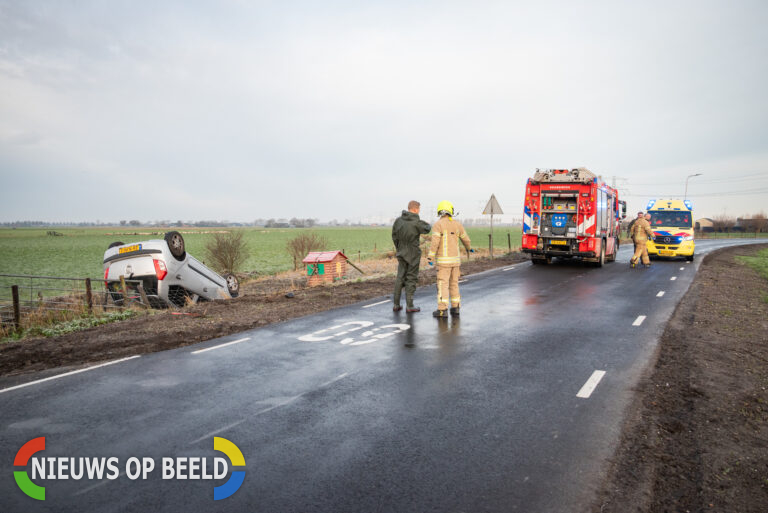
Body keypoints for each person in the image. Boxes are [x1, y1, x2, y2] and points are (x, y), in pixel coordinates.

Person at [427, 200, 472, 318]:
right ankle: (455, 307)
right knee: (454, 284)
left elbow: (435, 243)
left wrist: (430, 257)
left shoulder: (438, 224)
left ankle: (442, 310)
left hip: (443, 263)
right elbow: (466, 239)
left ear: (440, 211)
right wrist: (469, 248)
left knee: (443, 285)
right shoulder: (457, 224)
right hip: (455, 262)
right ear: (450, 211)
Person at [391, 200, 431, 312]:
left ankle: (396, 304)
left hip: (401, 252)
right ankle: (410, 305)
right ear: (415, 209)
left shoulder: (398, 221)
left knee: (400, 277)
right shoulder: (416, 222)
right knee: (411, 278)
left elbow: (394, 236)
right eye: (419, 210)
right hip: (413, 253)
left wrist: (399, 248)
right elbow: (427, 228)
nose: (419, 212)